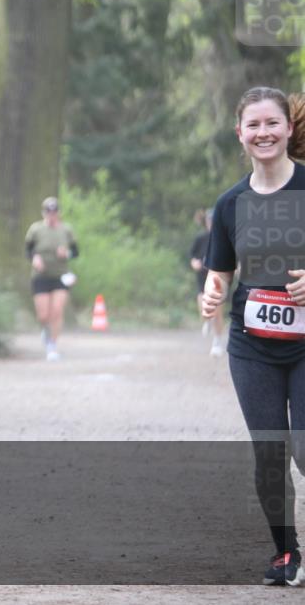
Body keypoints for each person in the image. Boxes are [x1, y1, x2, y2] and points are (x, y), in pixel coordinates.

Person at [201, 86, 305, 587]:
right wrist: (211, 294)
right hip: (252, 344)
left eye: (271, 123)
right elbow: (219, 271)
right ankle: (287, 554)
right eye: (253, 125)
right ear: (240, 135)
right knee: (269, 451)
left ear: (288, 128)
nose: (263, 133)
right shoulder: (230, 203)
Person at [25, 196, 78, 361]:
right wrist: (35, 259)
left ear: (59, 213)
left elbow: (76, 252)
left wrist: (67, 254)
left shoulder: (66, 230)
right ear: (43, 213)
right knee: (43, 315)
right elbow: (28, 250)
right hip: (41, 276)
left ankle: (52, 346)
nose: (51, 215)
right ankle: (46, 331)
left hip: (60, 276)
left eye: (54, 211)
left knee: (57, 310)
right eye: (48, 211)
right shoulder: (35, 229)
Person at [190, 208, 226, 356]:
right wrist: (194, 264)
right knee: (203, 303)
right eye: (209, 221)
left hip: (219, 279)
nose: (211, 224)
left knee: (217, 309)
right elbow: (192, 257)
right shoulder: (200, 239)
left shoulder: (224, 239)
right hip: (203, 278)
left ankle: (217, 342)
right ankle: (207, 320)